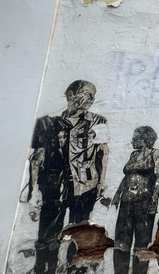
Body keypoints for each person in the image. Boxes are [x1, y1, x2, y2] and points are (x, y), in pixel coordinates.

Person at [29, 80, 109, 274]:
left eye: (93, 95)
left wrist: (101, 182)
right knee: (48, 234)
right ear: (71, 95)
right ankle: (45, 269)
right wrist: (34, 191)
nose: (92, 99)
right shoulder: (46, 122)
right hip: (53, 185)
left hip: (85, 185)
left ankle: (74, 269)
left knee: (80, 232)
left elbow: (103, 153)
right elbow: (36, 159)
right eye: (87, 94)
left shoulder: (99, 121)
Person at [112, 126, 159, 274]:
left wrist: (154, 201)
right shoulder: (133, 155)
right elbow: (127, 177)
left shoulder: (156, 153)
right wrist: (117, 195)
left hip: (144, 202)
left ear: (147, 139)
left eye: (136, 138)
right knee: (121, 242)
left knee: (141, 243)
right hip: (126, 201)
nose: (132, 140)